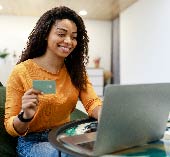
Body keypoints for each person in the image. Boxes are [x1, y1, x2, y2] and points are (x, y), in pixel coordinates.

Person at [4, 6, 102, 157]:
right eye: (61, 34)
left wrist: (107, 116)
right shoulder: (22, 72)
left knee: (101, 147)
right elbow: (10, 127)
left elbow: (92, 103)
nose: (69, 41)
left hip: (64, 135)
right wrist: (25, 116)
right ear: (45, 35)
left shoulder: (76, 71)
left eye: (74, 37)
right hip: (33, 142)